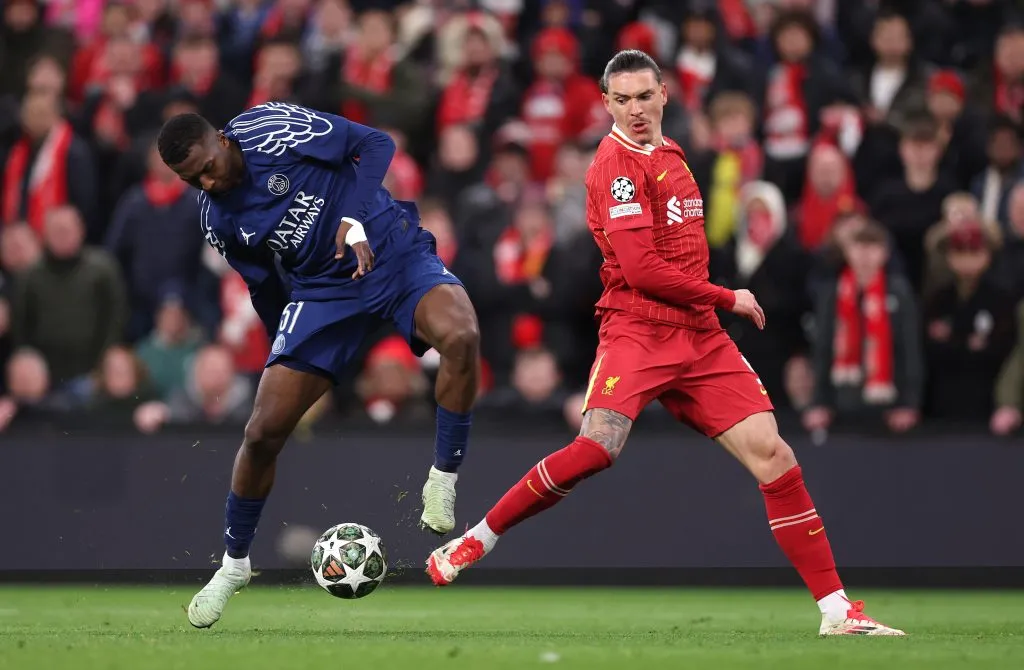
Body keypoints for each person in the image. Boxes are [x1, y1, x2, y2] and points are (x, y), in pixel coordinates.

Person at [425, 51, 905, 638]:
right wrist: (728, 297)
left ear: (664, 95)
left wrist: (711, 307)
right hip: (638, 328)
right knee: (598, 448)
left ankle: (836, 611)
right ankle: (479, 538)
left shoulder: (673, 155)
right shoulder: (614, 167)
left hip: (699, 336)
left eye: (643, 97)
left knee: (775, 456)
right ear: (605, 104)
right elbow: (642, 268)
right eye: (621, 100)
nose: (634, 110)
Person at [156, 102, 480, 628]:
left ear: (223, 138)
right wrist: (282, 354)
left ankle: (442, 478)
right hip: (323, 294)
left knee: (462, 335)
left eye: (209, 167)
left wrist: (351, 218)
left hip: (390, 249)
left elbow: (374, 144)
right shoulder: (218, 220)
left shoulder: (273, 130)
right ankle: (234, 564)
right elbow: (263, 286)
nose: (208, 183)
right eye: (192, 180)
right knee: (262, 430)